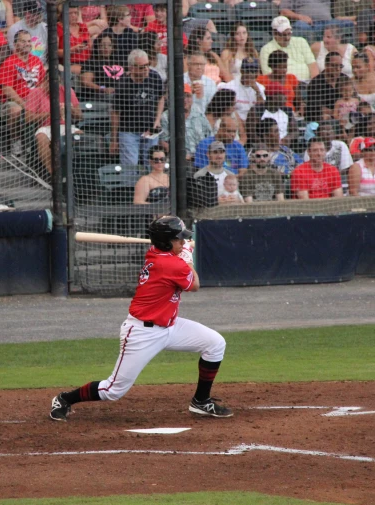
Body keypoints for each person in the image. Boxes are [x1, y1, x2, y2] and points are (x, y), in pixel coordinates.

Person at [49, 216, 232, 422]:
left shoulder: (157, 253)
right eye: (178, 239)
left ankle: (201, 401)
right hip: (142, 333)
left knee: (215, 343)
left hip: (170, 326)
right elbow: (195, 284)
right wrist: (187, 255)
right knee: (113, 390)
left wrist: (180, 251)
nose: (182, 242)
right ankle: (64, 399)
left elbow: (174, 256)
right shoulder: (168, 264)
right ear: (165, 242)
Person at [110, 49, 165, 167]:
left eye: (147, 65)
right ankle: (130, 186)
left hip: (150, 129)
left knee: (152, 165)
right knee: (130, 165)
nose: (146, 69)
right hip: (129, 130)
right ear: (131, 68)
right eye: (141, 67)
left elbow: (161, 98)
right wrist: (114, 140)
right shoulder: (123, 84)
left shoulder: (155, 77)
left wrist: (157, 120)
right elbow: (115, 112)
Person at [24, 71, 82, 175]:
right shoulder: (36, 92)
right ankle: (53, 174)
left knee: (82, 136)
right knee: (41, 138)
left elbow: (80, 116)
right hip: (45, 127)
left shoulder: (68, 91)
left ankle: (76, 173)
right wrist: (51, 114)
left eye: (57, 82)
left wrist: (70, 109)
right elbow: (28, 118)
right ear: (45, 81)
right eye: (50, 81)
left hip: (66, 126)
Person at [0, 30, 45, 153]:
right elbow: (7, 89)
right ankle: (16, 141)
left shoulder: (37, 61)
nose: (27, 44)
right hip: (14, 102)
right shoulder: (8, 62)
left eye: (29, 41)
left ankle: (40, 143)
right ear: (15, 44)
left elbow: (43, 84)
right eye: (23, 41)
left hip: (35, 100)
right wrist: (24, 104)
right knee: (16, 110)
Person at [159, 84, 212, 162]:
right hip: (176, 161)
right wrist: (181, 156)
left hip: (200, 158)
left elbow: (209, 136)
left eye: (188, 96)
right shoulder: (166, 116)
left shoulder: (200, 115)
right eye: (182, 96)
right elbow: (163, 142)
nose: (185, 100)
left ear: (192, 98)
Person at [260, 16, 318, 82]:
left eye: (289, 34)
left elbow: (313, 66)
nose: (287, 38)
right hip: (283, 87)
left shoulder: (301, 41)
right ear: (274, 33)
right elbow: (268, 75)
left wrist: (314, 85)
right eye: (284, 35)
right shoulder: (266, 49)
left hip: (307, 83)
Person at [279, 0, 354, 43]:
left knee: (348, 24)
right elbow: (283, 11)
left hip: (328, 23)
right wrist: (300, 17)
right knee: (300, 26)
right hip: (308, 24)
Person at [217, 58, 265, 122]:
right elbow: (225, 111)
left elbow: (262, 110)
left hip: (254, 124)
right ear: (241, 71)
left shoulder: (261, 88)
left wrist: (257, 91)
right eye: (247, 71)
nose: (250, 74)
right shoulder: (230, 86)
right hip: (235, 122)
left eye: (253, 71)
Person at [307, 51, 349, 122]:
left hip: (345, 117)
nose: (338, 69)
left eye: (340, 66)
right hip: (323, 120)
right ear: (326, 65)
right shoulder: (316, 83)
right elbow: (316, 108)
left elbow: (353, 97)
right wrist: (336, 112)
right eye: (335, 66)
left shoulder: (345, 79)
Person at [77, 35, 123, 101]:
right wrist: (102, 88)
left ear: (113, 47)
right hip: (97, 98)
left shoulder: (119, 62)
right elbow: (86, 82)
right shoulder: (91, 63)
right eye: (103, 45)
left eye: (109, 45)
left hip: (119, 98)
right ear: (98, 47)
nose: (106, 48)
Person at [257, 50, 302, 115]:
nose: (284, 70)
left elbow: (298, 101)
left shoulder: (292, 78)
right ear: (272, 66)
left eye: (285, 67)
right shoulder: (261, 80)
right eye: (280, 68)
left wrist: (300, 108)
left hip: (291, 113)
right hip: (270, 113)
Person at [57, 6, 90, 74]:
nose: (74, 15)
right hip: (68, 63)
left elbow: (90, 45)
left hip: (88, 62)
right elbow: (55, 52)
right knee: (87, 71)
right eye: (70, 13)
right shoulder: (58, 28)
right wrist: (73, 50)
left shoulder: (83, 27)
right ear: (62, 15)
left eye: (75, 13)